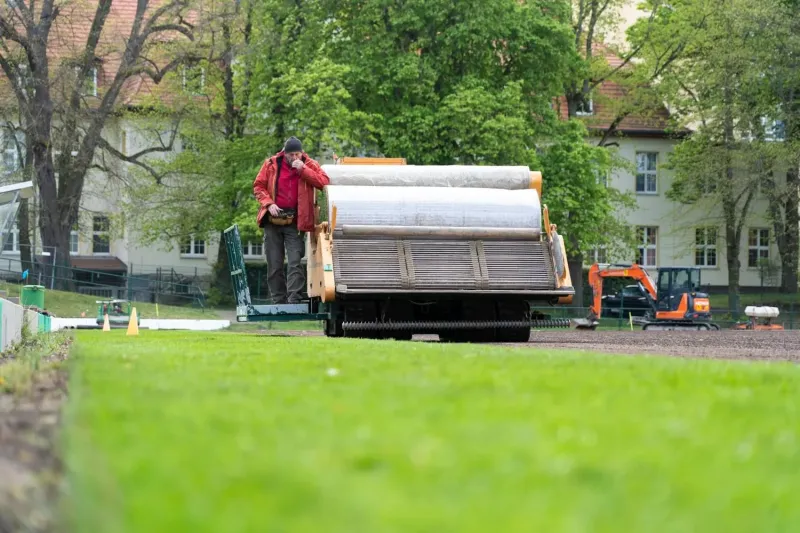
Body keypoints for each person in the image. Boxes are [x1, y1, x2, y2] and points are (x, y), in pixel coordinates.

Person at [253, 137, 330, 304]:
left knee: (295, 261)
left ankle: (294, 299)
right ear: (285, 153)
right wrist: (268, 203)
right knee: (274, 263)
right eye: (292, 155)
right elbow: (258, 186)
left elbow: (324, 182)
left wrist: (303, 170)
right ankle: (278, 301)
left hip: (295, 221)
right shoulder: (271, 164)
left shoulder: (309, 164)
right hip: (272, 221)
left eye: (298, 154)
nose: (295, 158)